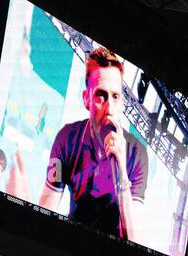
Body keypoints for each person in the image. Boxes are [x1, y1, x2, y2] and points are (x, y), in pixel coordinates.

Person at [38, 47, 148, 242]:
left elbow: (136, 239)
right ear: (86, 99)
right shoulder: (66, 139)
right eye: (100, 96)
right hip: (73, 246)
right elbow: (45, 210)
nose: (109, 108)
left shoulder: (137, 153)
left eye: (115, 96)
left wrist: (122, 170)